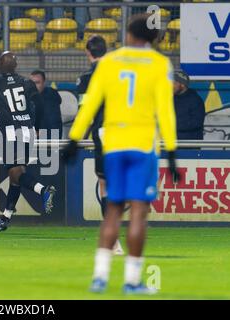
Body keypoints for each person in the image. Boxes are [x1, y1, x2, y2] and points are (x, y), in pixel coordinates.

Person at [64, 14, 180, 295]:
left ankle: (100, 277)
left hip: (113, 145)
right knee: (139, 212)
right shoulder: (159, 64)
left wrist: (73, 139)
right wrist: (172, 152)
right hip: (143, 146)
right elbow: (165, 110)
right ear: (153, 39)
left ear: (128, 34)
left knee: (112, 211)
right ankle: (131, 280)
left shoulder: (109, 62)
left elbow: (90, 104)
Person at [0, 51, 56, 232]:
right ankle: (5, 217)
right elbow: (39, 105)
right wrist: (36, 126)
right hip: (27, 131)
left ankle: (43, 190)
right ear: (15, 66)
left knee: (15, 172)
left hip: (10, 133)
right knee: (16, 175)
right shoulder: (26, 82)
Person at [76, 35, 124, 256]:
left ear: (88, 53)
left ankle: (113, 239)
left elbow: (86, 111)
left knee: (105, 184)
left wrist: (78, 137)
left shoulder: (87, 78)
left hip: (104, 132)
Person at [29, 70, 63, 139]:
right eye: (32, 83)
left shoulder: (51, 96)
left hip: (49, 137)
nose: (34, 86)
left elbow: (53, 121)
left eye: (37, 82)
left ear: (44, 82)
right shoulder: (28, 96)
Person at [173, 69, 205, 140]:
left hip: (189, 145)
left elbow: (196, 123)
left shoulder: (195, 100)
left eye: (174, 83)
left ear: (183, 85)